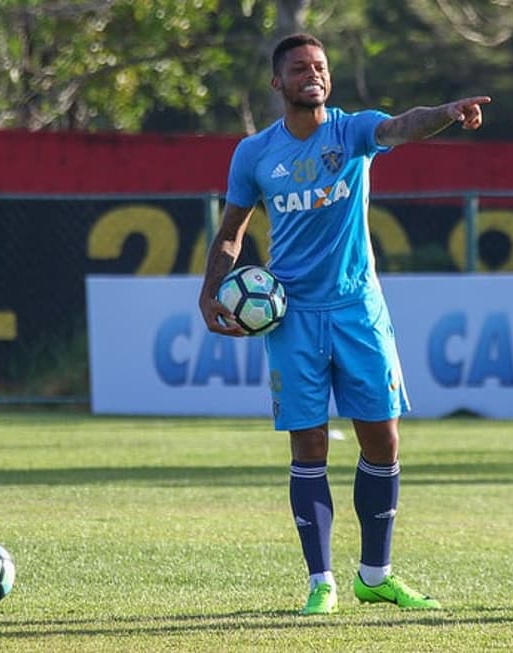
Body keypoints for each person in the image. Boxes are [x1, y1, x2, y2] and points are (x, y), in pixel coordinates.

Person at [198, 32, 490, 615]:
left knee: (382, 438)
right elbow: (232, 232)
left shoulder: (351, 131)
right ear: (277, 83)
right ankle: (321, 582)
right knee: (308, 444)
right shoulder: (254, 153)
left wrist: (448, 114)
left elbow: (404, 125)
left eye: (321, 66)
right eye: (301, 67)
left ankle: (375, 574)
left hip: (358, 308)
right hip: (292, 316)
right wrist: (211, 293)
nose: (314, 74)